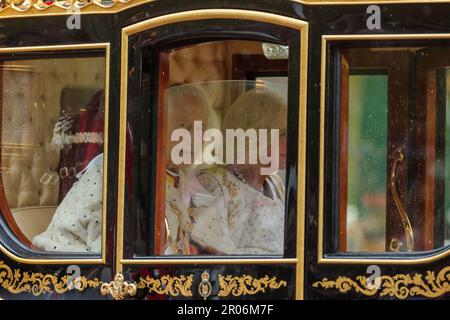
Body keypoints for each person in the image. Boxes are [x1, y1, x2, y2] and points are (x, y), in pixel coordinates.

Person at [189, 86, 287, 255]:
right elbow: (210, 256)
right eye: (284, 133)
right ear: (255, 135)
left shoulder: (275, 184)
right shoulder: (215, 183)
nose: (293, 142)